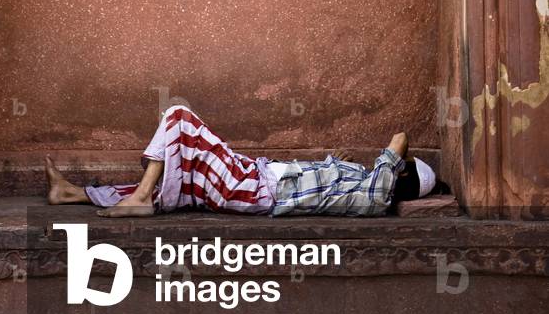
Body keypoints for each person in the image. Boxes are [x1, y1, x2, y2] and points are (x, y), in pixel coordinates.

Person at [45, 104, 442, 218]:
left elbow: (399, 139)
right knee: (181, 184)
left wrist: (399, 157)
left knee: (179, 118)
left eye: (397, 165)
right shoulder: (367, 184)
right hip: (254, 178)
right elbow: (321, 185)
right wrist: (333, 164)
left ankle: (140, 198)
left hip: (254, 186)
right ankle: (74, 194)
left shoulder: (380, 190)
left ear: (400, 172)